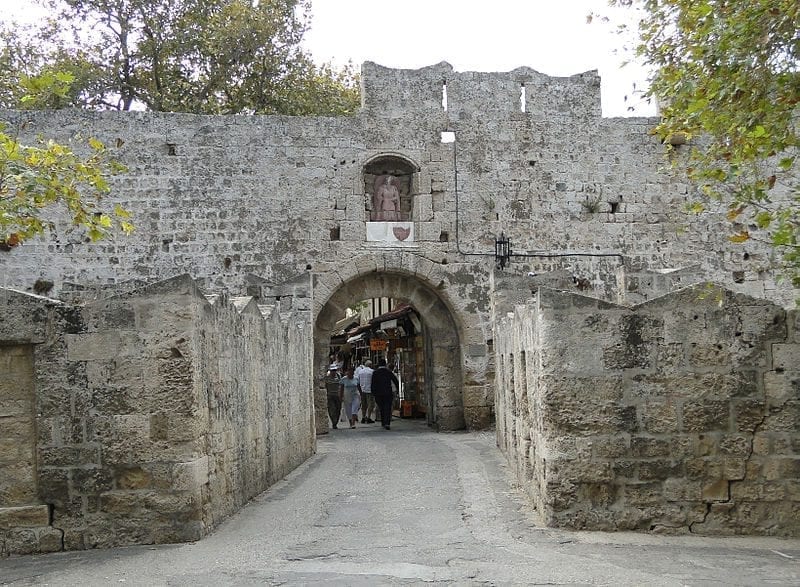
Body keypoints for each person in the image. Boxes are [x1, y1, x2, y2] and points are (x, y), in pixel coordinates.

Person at [371, 358, 398, 430]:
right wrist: (397, 389)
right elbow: (395, 380)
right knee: (387, 408)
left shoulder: (375, 373)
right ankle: (387, 423)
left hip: (378, 393)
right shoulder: (388, 372)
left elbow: (373, 384)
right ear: (385, 364)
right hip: (388, 392)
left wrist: (373, 392)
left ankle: (383, 422)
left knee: (381, 408)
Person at [356, 359, 375, 424]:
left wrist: (360, 390)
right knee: (370, 404)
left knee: (364, 405)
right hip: (370, 390)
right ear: (370, 365)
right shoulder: (372, 371)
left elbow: (358, 382)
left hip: (362, 390)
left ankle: (363, 417)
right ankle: (368, 417)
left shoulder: (360, 372)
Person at [326, 365, 342, 430]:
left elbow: (341, 385)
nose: (333, 372)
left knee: (338, 409)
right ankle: (334, 422)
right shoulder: (327, 378)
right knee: (332, 409)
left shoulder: (339, 377)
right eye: (332, 370)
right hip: (330, 396)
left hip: (337, 396)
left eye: (335, 370)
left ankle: (335, 422)